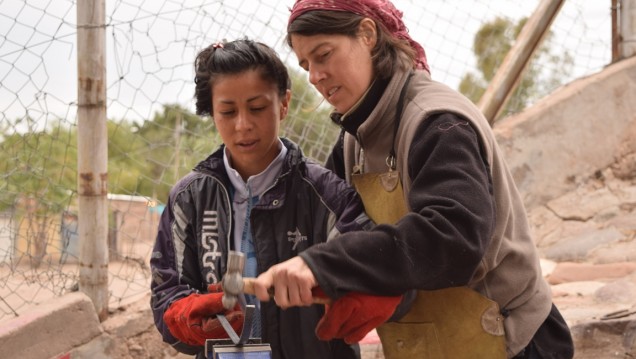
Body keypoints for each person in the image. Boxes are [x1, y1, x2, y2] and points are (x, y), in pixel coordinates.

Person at [253, 1, 575, 358]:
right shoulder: (352, 141)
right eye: (305, 65)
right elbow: (318, 229)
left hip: (511, 341)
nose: (314, 75)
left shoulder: (437, 123)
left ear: (367, 35)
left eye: (323, 55)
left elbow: (453, 238)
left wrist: (324, 266)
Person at [149, 38, 400, 359]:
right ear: (212, 113)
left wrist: (353, 290)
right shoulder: (189, 198)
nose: (243, 125)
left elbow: (379, 267)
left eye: (257, 107)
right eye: (227, 111)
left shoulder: (323, 192)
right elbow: (166, 294)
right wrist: (183, 316)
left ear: (284, 103)